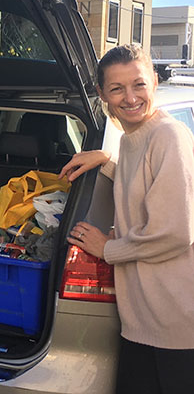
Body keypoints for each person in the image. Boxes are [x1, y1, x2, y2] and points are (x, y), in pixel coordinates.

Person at [60, 43, 194, 394]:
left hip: (176, 324)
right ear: (102, 93)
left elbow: (175, 233)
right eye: (117, 88)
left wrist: (108, 249)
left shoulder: (169, 136)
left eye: (138, 85)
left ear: (154, 81)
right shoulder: (135, 139)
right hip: (143, 321)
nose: (129, 97)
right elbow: (144, 189)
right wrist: (106, 160)